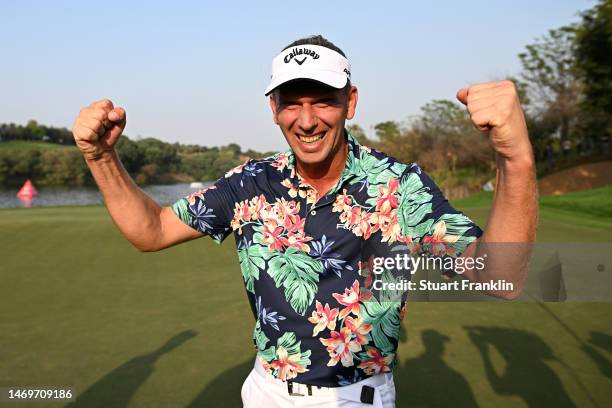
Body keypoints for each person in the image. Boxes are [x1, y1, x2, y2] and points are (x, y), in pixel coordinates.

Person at [72, 35, 538, 407]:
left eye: (324, 101)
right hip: (267, 393)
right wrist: (100, 156)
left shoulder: (400, 186)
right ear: (273, 108)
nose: (308, 119)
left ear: (350, 101)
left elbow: (499, 277)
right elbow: (150, 231)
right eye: (292, 102)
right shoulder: (249, 183)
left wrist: (514, 156)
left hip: (360, 396)